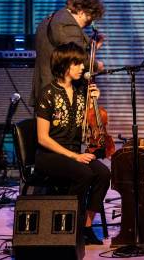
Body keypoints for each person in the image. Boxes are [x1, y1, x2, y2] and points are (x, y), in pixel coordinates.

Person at [35, 42, 111, 245]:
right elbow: (42, 138)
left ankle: (85, 227)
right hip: (49, 156)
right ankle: (68, 224)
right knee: (84, 173)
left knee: (103, 173)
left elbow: (88, 124)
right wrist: (74, 156)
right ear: (64, 65)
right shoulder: (47, 94)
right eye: (77, 63)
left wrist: (95, 102)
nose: (82, 68)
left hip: (75, 153)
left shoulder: (81, 91)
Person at [32, 0, 105, 105]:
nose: (90, 23)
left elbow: (61, 51)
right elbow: (75, 59)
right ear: (81, 12)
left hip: (46, 89)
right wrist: (96, 65)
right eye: (90, 18)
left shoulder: (51, 19)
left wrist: (92, 47)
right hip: (58, 93)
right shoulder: (68, 25)